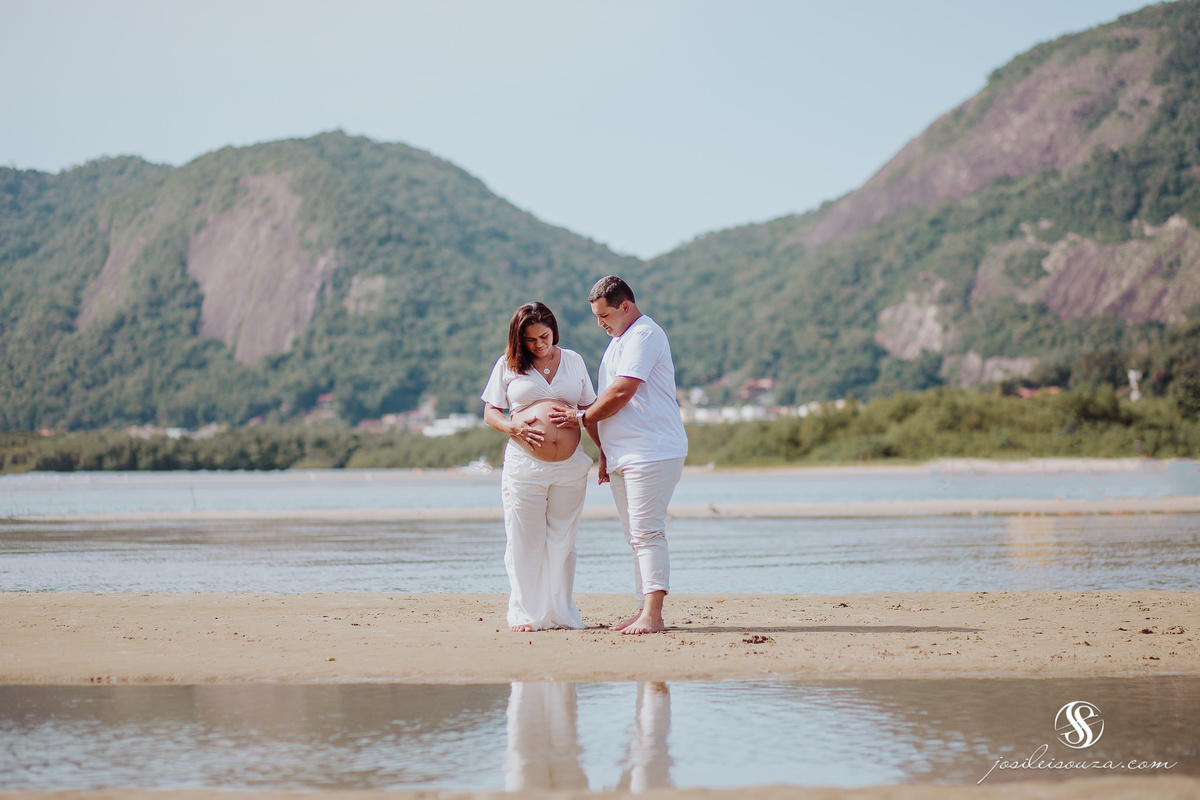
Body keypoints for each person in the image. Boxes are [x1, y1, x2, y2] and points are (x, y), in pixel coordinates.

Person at [549, 276, 688, 635]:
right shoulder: (618, 342)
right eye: (596, 317)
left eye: (604, 315)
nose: (600, 323)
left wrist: (580, 418)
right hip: (625, 453)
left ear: (625, 306)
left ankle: (653, 615)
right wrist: (605, 452)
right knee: (635, 535)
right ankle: (643, 609)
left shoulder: (644, 334)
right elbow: (610, 398)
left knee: (647, 532)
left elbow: (623, 391)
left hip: (652, 450)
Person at [482, 302, 597, 632]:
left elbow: (590, 409)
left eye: (544, 337)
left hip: (570, 467)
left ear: (553, 330)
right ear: (519, 339)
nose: (539, 345)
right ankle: (526, 613)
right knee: (524, 539)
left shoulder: (573, 360)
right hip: (525, 466)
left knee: (563, 540)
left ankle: (559, 611)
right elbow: (491, 412)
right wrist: (513, 427)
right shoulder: (508, 365)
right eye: (530, 340)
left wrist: (605, 452)